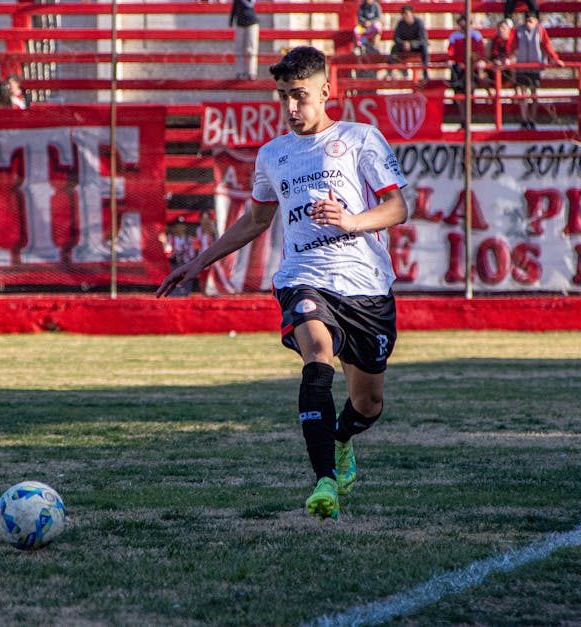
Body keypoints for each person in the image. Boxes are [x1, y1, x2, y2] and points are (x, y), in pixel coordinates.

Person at [157, 46, 409, 521]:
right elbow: (255, 221)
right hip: (303, 279)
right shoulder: (272, 154)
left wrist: (352, 220)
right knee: (316, 353)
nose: (291, 108)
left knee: (368, 404)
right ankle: (325, 483)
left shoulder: (361, 139)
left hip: (366, 287)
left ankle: (340, 439)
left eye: (300, 96)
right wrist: (198, 262)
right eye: (283, 98)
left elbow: (397, 208)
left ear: (326, 91)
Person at [507, 11, 564, 129]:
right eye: (526, 20)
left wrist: (554, 59)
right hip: (522, 66)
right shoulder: (518, 31)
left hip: (535, 67)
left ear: (536, 21)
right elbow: (512, 46)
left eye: (531, 21)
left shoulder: (540, 30)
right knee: (523, 94)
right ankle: (524, 119)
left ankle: (532, 119)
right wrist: (509, 58)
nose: (528, 23)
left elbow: (547, 45)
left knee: (533, 94)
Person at [446, 14, 488, 129]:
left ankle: (468, 119)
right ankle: (463, 120)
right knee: (460, 94)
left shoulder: (475, 35)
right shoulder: (455, 36)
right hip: (459, 69)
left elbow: (480, 52)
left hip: (471, 68)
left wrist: (478, 61)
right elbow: (451, 52)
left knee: (469, 92)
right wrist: (452, 60)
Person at [389, 4, 430, 80]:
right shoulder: (401, 24)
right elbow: (396, 37)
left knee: (424, 47)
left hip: (416, 46)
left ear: (412, 13)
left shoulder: (419, 23)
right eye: (404, 14)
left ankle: (425, 71)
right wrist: (403, 43)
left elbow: (423, 39)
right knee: (394, 49)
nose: (406, 16)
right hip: (404, 46)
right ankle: (390, 72)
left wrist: (411, 44)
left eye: (407, 14)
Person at [158, 216, 196, 296]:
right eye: (178, 225)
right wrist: (164, 243)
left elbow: (191, 254)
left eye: (182, 225)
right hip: (173, 264)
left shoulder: (188, 238)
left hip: (185, 263)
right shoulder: (170, 238)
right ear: (174, 227)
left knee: (188, 274)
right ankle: (173, 293)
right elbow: (168, 253)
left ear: (185, 227)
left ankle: (185, 293)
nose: (180, 227)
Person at [230, 0, 259, 80]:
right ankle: (240, 71)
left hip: (252, 23)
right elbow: (234, 8)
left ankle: (251, 72)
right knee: (239, 48)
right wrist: (231, 20)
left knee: (251, 49)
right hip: (240, 24)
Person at [488, 17, 516, 92]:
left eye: (503, 28)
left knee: (516, 73)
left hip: (509, 69)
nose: (501, 30)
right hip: (496, 68)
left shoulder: (514, 40)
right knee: (484, 76)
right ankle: (493, 101)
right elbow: (490, 56)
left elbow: (516, 56)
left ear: (509, 29)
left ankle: (518, 100)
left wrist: (507, 61)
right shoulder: (493, 41)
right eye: (499, 28)